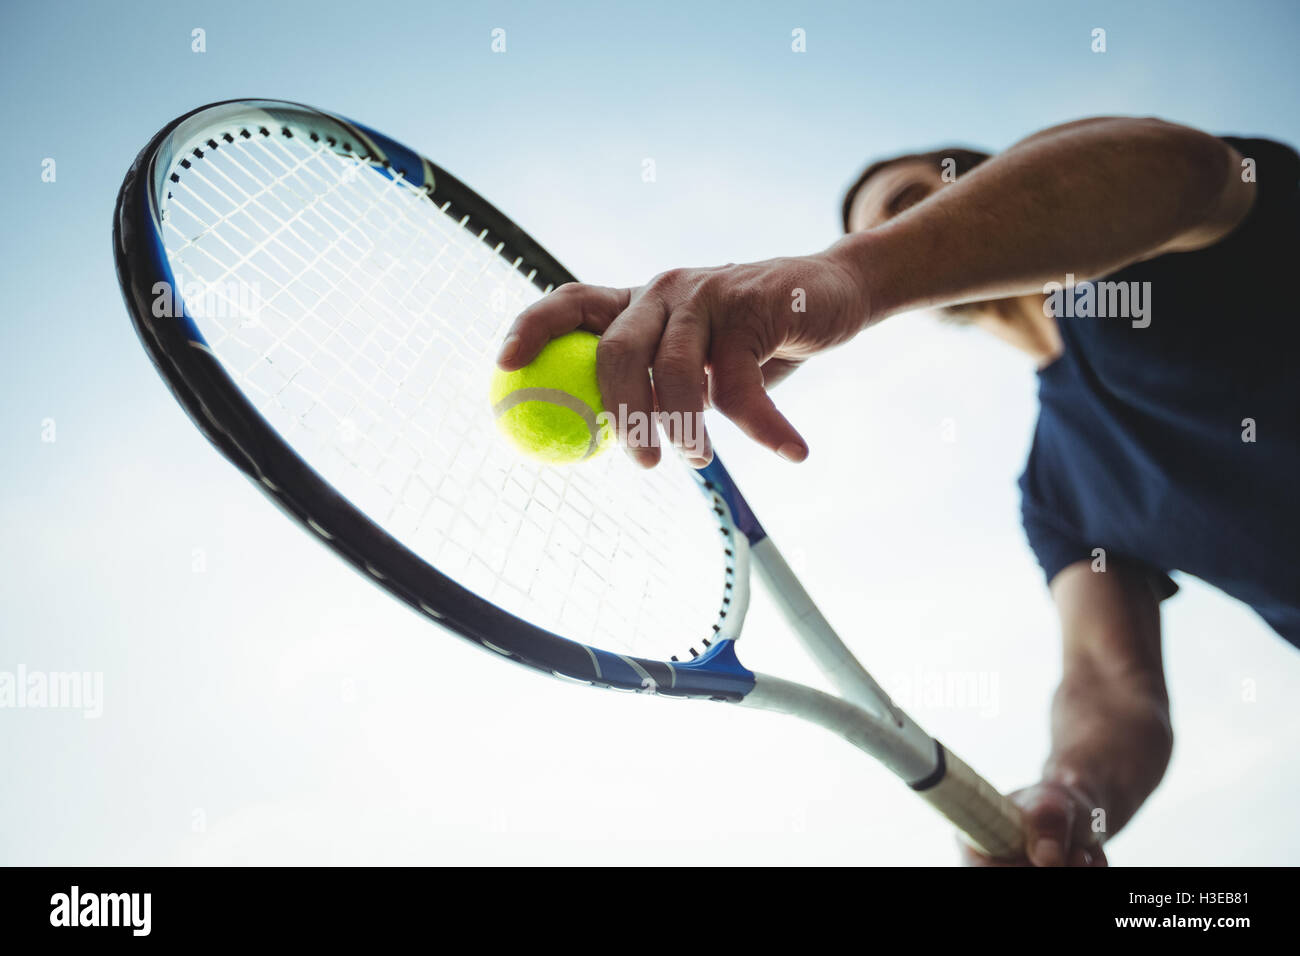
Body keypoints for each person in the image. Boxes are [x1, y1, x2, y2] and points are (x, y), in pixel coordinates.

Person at [497, 117, 1299, 866]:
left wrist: (853, 272)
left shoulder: (1159, 247)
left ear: (995, 180)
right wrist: (1071, 793)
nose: (892, 233)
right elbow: (1113, 688)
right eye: (870, 232)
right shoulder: (1055, 492)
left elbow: (1185, 170)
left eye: (919, 201)